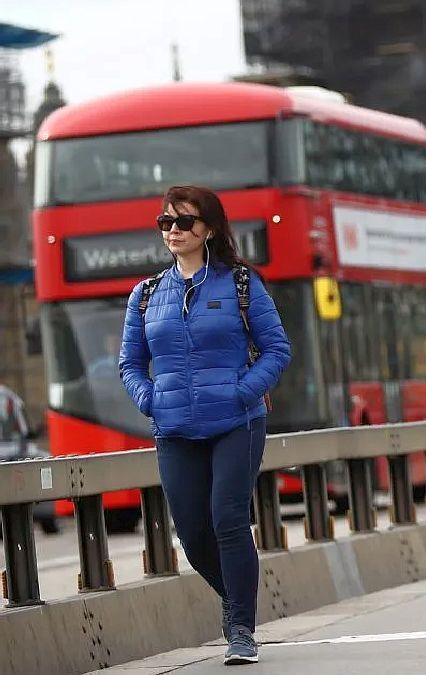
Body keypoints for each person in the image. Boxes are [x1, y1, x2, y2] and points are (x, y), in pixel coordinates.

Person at [119, 185, 291, 664]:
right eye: (165, 223)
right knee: (193, 534)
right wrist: (150, 400)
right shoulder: (146, 294)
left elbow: (277, 349)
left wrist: (241, 392)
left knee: (228, 521)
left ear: (209, 228)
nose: (173, 231)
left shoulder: (240, 283)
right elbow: (130, 363)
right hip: (173, 427)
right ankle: (238, 600)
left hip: (237, 422)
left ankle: (240, 628)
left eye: (184, 222)